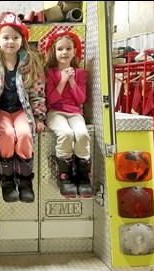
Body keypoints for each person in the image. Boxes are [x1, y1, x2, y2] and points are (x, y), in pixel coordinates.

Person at [0, 11, 47, 203]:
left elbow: (37, 91)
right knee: (7, 135)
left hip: (21, 111)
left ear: (22, 40)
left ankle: (25, 182)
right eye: (6, 37)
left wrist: (39, 117)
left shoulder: (29, 63)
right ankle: (7, 182)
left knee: (24, 134)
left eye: (15, 37)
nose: (10, 41)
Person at [44, 31, 92, 198]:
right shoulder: (50, 73)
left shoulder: (80, 74)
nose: (64, 52)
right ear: (54, 52)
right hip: (55, 112)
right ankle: (65, 177)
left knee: (82, 134)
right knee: (65, 133)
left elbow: (81, 98)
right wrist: (62, 80)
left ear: (74, 51)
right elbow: (50, 99)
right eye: (60, 49)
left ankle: (84, 177)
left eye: (68, 48)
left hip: (74, 113)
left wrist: (71, 80)